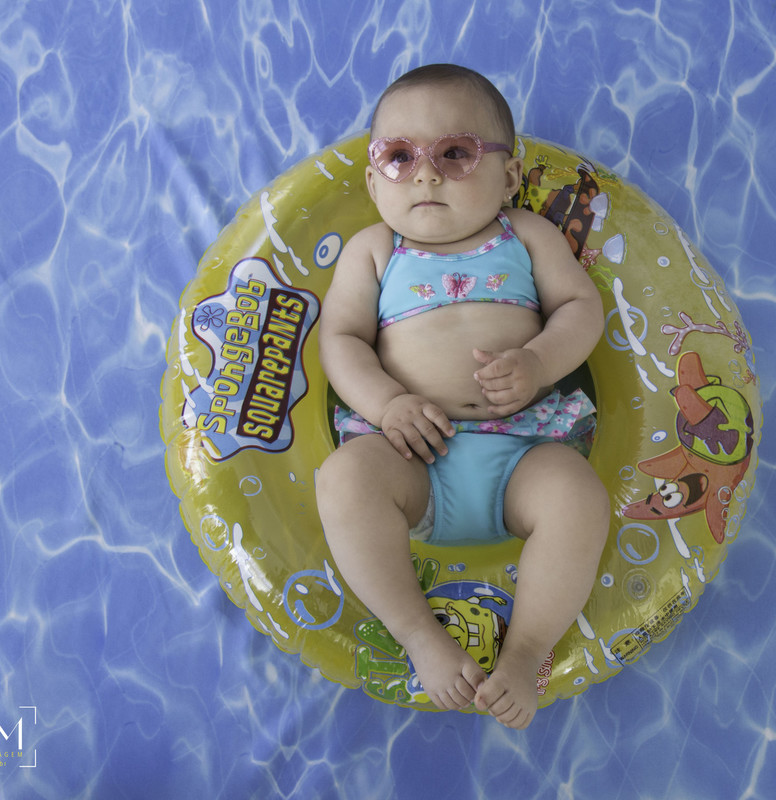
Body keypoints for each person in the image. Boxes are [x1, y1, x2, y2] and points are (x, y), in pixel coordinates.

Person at [315, 64, 609, 730]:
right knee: (344, 481)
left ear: (507, 176)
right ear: (373, 182)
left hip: (524, 451)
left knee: (578, 498)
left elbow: (579, 307)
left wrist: (538, 362)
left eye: (455, 153)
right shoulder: (374, 251)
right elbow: (342, 340)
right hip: (410, 461)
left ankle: (524, 653)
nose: (425, 175)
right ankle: (420, 636)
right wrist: (387, 404)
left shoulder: (525, 235)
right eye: (399, 157)